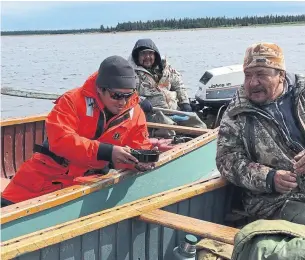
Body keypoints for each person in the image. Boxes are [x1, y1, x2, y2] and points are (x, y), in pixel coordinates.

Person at [1, 55, 155, 206]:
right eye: (116, 95)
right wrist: (107, 152)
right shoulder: (71, 101)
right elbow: (60, 140)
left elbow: (140, 146)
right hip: (43, 177)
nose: (123, 102)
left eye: (128, 95)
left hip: (87, 185)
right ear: (100, 89)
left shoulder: (135, 113)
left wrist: (139, 162)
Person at [216, 42, 305, 223]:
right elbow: (226, 159)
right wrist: (269, 178)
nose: (252, 82)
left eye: (261, 74)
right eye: (248, 75)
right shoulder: (236, 113)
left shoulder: (302, 93)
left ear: (281, 75)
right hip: (275, 201)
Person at [129, 38, 206, 137]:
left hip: (175, 110)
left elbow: (179, 84)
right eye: (143, 54)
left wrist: (185, 103)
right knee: (169, 131)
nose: (147, 57)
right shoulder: (130, 73)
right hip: (153, 113)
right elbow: (127, 94)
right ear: (137, 56)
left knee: (199, 125)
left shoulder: (165, 68)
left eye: (150, 53)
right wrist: (141, 100)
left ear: (155, 54)